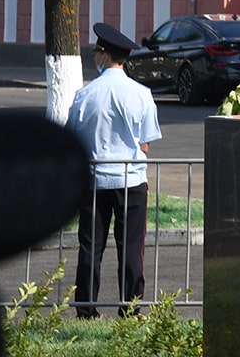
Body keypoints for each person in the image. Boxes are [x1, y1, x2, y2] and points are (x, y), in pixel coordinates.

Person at [66, 22, 161, 318]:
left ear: (105, 56)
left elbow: (73, 139)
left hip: (94, 181)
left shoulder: (85, 95)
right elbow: (146, 143)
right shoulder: (141, 94)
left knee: (90, 249)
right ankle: (130, 309)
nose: (96, 58)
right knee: (132, 249)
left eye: (97, 53)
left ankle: (86, 310)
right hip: (131, 181)